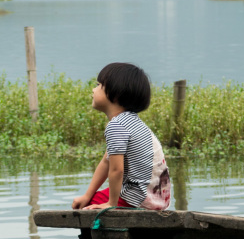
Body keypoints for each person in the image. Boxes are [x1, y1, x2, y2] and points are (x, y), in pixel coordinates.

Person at [72, 62, 170, 212]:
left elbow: (117, 170)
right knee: (88, 200)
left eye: (99, 85)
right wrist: (87, 194)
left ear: (116, 94)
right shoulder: (133, 122)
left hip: (138, 197)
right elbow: (106, 162)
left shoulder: (117, 125)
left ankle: (93, 236)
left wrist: (111, 203)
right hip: (156, 198)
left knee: (85, 208)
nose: (93, 89)